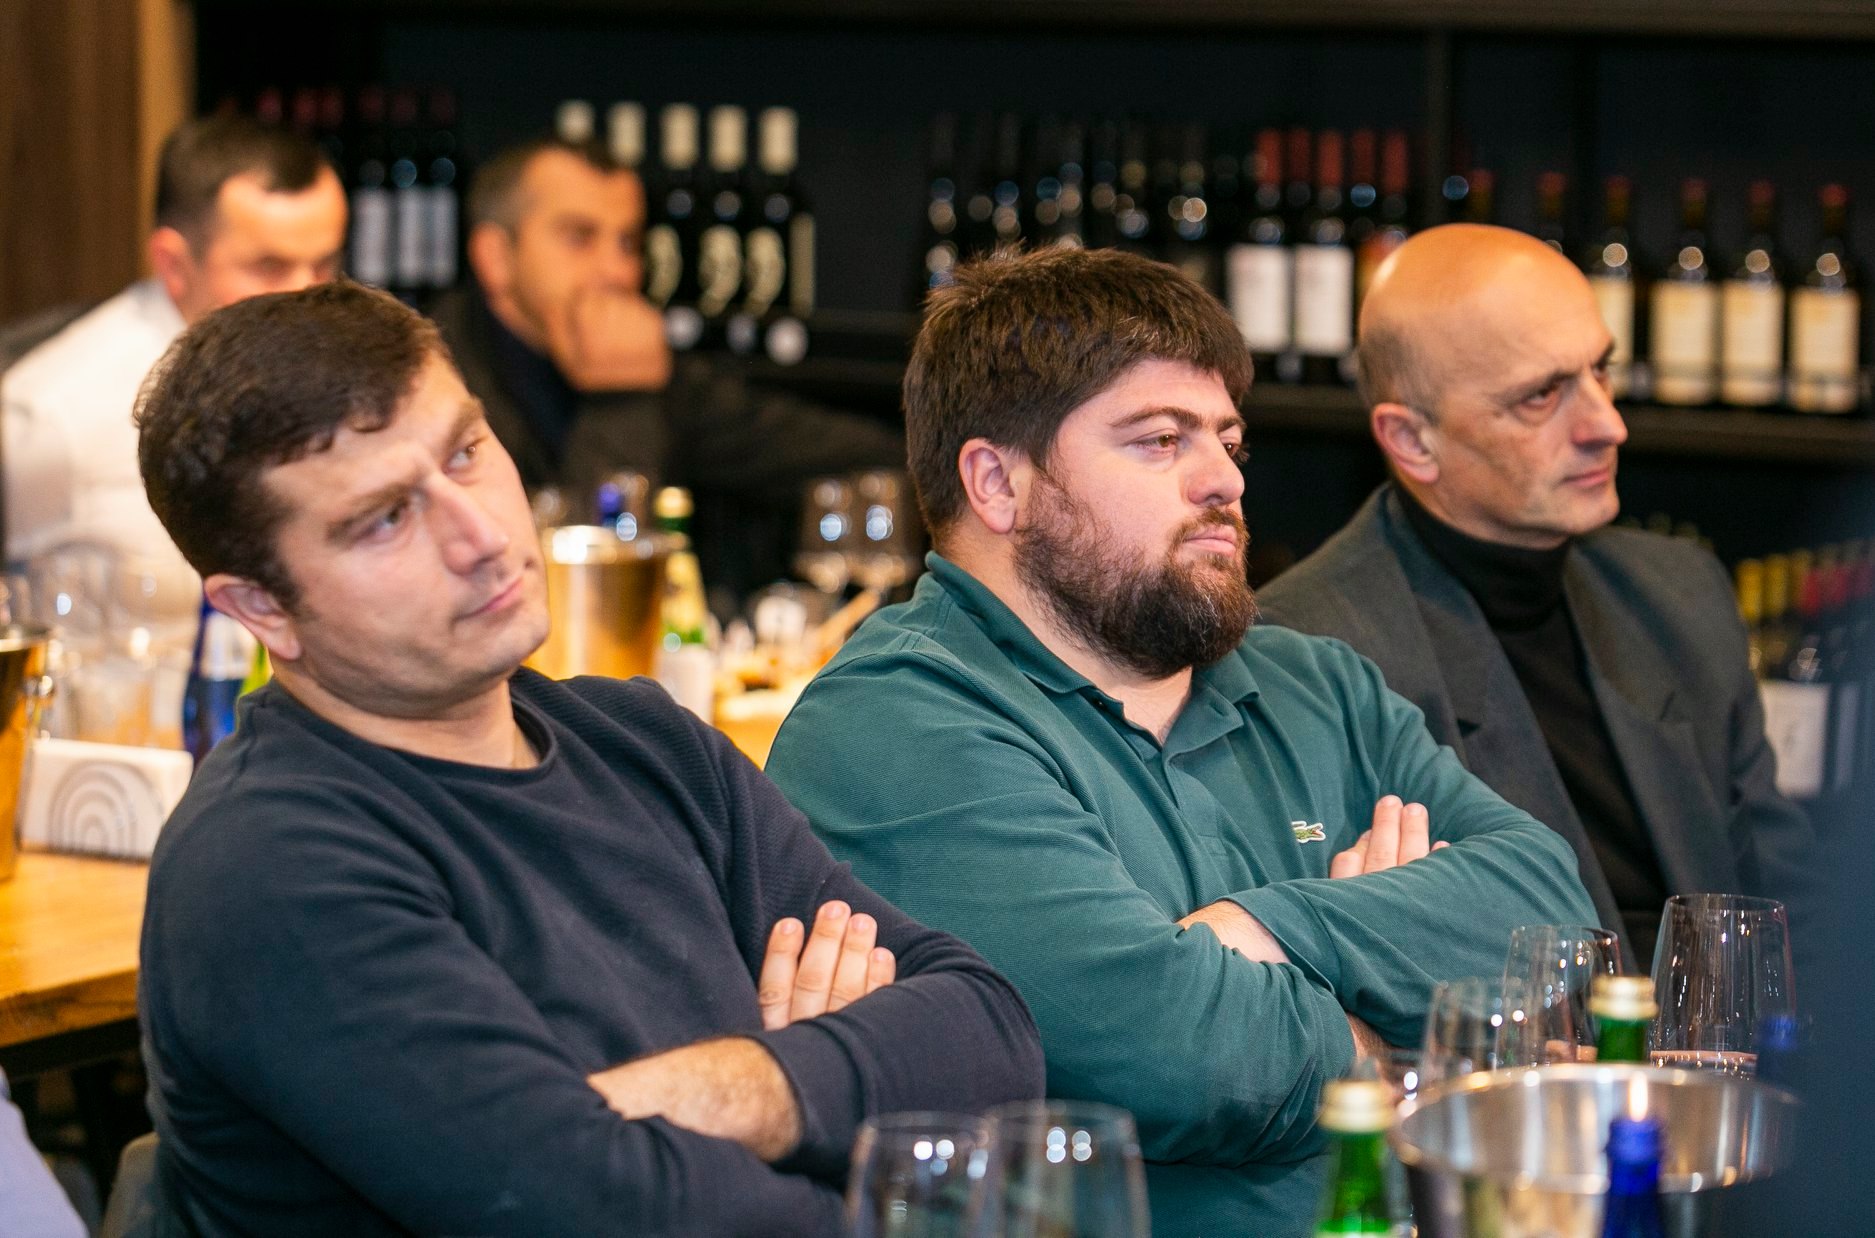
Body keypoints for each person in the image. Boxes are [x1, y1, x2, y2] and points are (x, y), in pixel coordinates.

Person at [133, 282, 1043, 1236]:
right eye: (385, 519)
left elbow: (991, 1038)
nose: (482, 535)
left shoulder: (645, 741)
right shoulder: (270, 867)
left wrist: (730, 1085)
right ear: (261, 608)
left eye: (467, 451)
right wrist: (840, 1095)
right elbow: (604, 1211)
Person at [764, 246, 1596, 1236]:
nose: (1223, 480)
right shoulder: (894, 723)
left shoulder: (1316, 682)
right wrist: (1414, 1046)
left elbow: (1553, 919)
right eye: (1160, 441)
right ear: (996, 482)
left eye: (1229, 441)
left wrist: (1265, 925)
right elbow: (1182, 1058)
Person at [1255, 224, 1812, 968]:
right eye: (1541, 395)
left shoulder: (1681, 594)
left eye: (1601, 369)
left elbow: (1791, 917)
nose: (1607, 424)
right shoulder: (1304, 652)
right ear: (1412, 441)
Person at [435, 136, 905, 605]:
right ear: (495, 258)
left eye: (628, 243)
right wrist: (622, 397)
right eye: (580, 237)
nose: (617, 272)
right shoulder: (435, 383)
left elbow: (827, 450)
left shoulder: (653, 366)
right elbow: (576, 594)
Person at [3, 114, 346, 607]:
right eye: (269, 266)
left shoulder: (343, 376)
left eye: (324, 264)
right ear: (174, 264)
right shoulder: (50, 417)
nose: (306, 297)